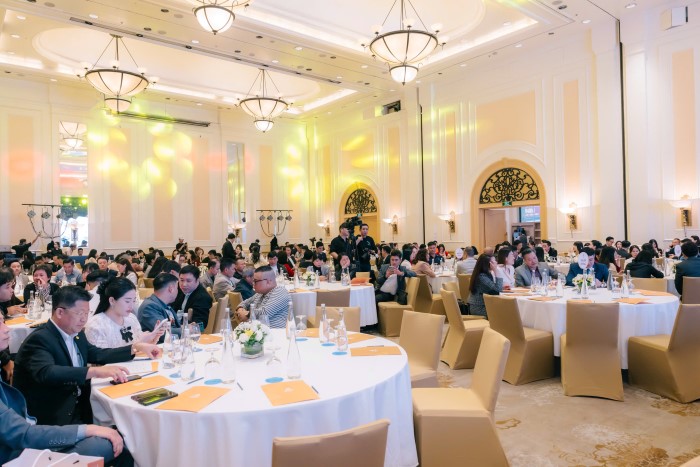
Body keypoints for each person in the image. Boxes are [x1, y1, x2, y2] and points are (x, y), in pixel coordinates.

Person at [13, 286, 160, 427]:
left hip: (81, 405)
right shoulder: (40, 339)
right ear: (60, 312)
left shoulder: (76, 333)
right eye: (80, 313)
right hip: (54, 416)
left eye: (87, 313)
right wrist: (94, 371)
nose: (84, 319)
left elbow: (97, 354)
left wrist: (136, 347)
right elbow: (47, 372)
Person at [85, 278, 162, 348]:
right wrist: (139, 343)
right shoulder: (96, 325)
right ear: (112, 300)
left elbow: (141, 349)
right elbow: (103, 356)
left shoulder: (131, 318)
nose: (131, 306)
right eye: (127, 301)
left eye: (134, 301)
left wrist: (154, 337)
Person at [137, 273, 180, 340]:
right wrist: (187, 330)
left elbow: (175, 326)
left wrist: (187, 326)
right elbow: (164, 333)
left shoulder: (164, 304)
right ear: (171, 289)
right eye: (177, 288)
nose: (178, 291)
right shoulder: (149, 307)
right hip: (157, 345)